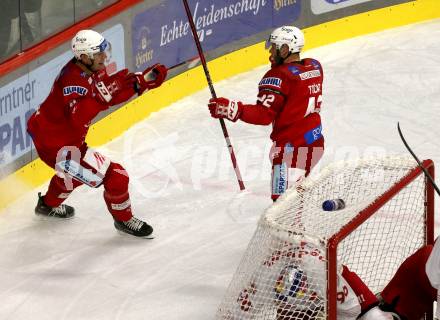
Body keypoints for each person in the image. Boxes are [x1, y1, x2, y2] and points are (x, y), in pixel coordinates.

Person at [27, 29, 167, 238]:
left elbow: (109, 95)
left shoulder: (91, 68)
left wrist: (141, 84)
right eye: (98, 53)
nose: (104, 56)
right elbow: (78, 117)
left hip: (60, 138)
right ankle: (124, 219)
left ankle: (47, 205)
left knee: (72, 176)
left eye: (103, 50)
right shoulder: (72, 82)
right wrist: (104, 96)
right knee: (117, 177)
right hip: (56, 147)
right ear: (83, 57)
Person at [207, 25, 325, 201]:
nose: (271, 51)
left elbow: (263, 115)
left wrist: (231, 108)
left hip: (290, 150)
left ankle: (294, 227)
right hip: (315, 141)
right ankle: (296, 222)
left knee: (283, 203)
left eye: (274, 47)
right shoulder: (314, 67)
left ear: (285, 49)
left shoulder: (279, 75)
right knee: (295, 196)